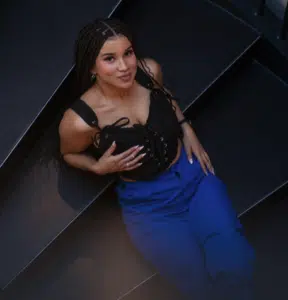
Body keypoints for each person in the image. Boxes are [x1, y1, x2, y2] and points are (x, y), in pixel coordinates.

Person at [59, 18, 255, 299]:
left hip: (193, 177)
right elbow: (69, 153)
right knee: (194, 280)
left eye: (128, 53)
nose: (125, 66)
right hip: (148, 205)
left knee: (234, 262)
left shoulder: (148, 71)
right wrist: (98, 166)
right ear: (91, 67)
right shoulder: (80, 121)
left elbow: (165, 97)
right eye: (110, 59)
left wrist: (186, 127)